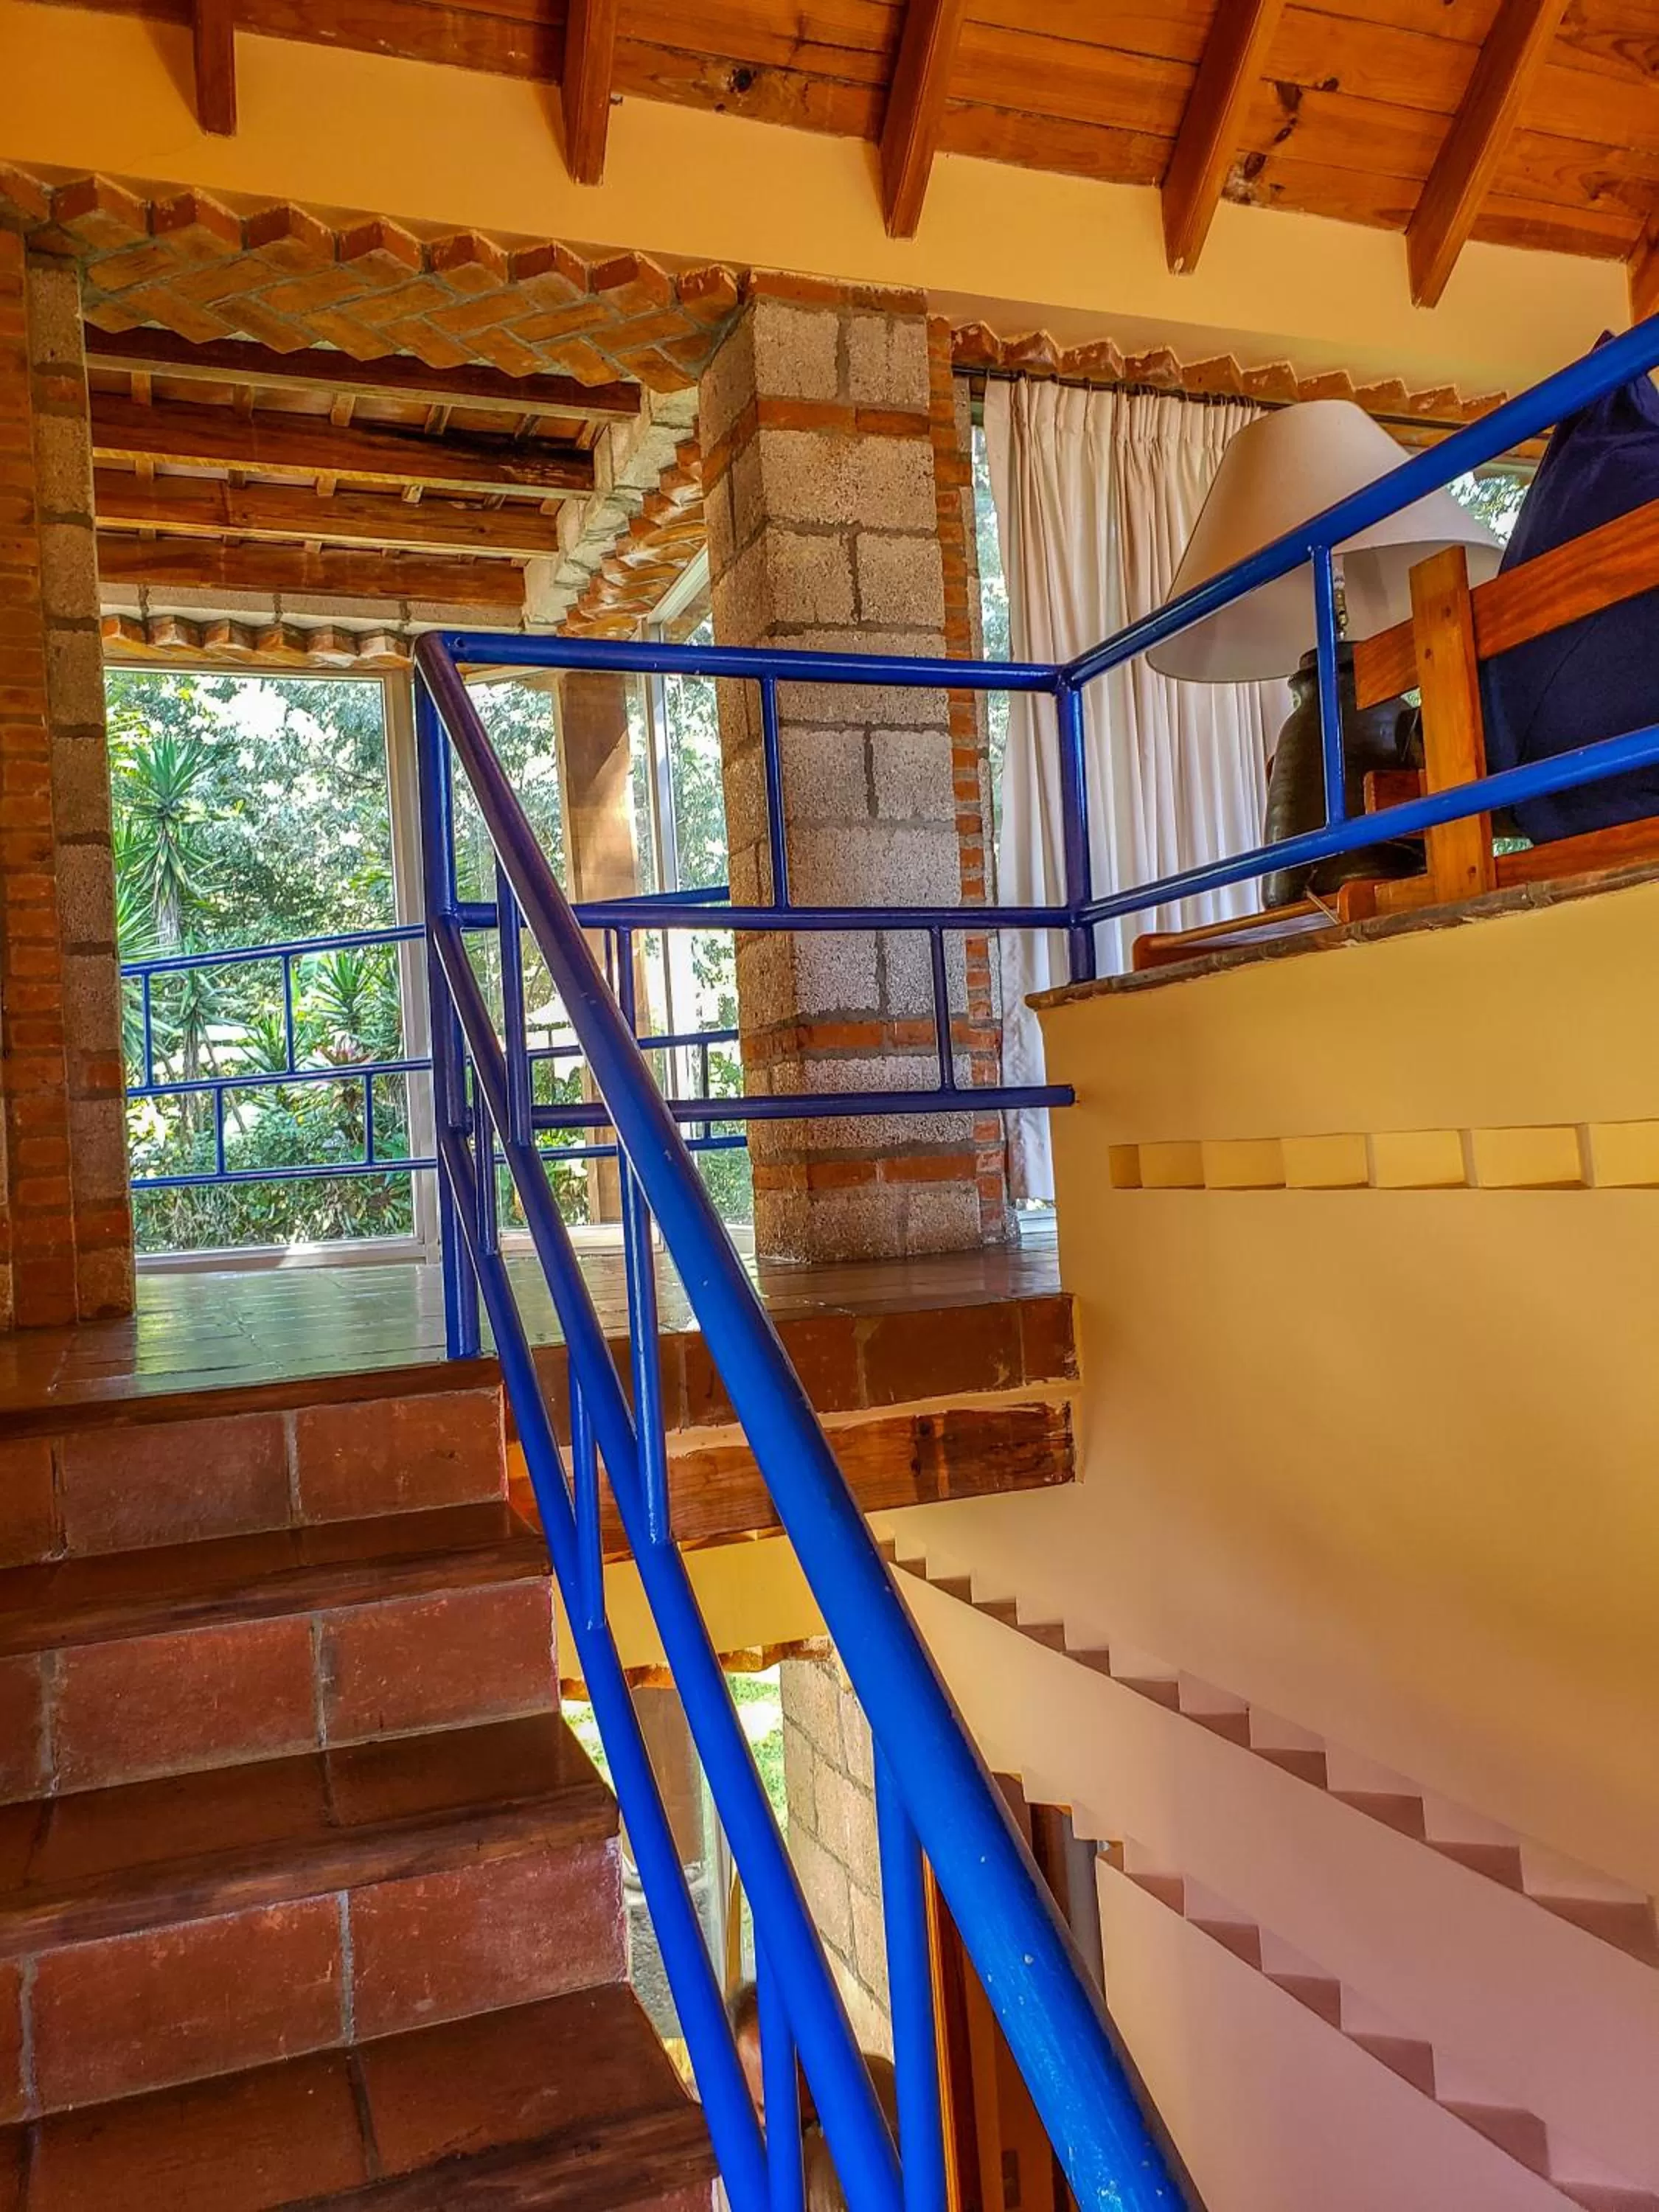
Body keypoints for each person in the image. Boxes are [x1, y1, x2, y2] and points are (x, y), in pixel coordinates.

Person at [727, 1980, 899, 2212]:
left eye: (799, 2066)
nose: (796, 2092)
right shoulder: (755, 2181)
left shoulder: (875, 2085)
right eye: (767, 2106)